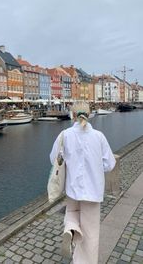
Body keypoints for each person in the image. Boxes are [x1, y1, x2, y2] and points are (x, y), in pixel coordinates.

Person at [50, 102, 116, 264]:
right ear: (90, 114)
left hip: (73, 190)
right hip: (93, 192)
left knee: (71, 213)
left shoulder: (64, 135)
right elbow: (109, 164)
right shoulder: (99, 136)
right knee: (91, 233)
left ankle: (70, 229)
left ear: (72, 115)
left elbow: (54, 159)